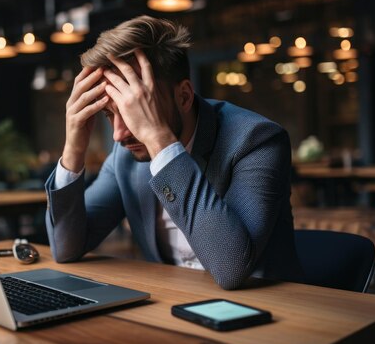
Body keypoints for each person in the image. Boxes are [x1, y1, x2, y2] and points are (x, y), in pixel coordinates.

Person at [45, 15, 302, 289]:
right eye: (110, 114)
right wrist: (73, 148)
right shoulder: (127, 159)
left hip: (266, 314)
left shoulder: (256, 141)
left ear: (184, 96)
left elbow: (231, 268)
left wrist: (160, 142)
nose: (118, 134)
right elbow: (65, 249)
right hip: (172, 305)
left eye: (137, 109)